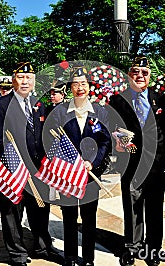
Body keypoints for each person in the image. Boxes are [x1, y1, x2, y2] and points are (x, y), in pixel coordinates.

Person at [0, 61, 63, 266]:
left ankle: (42, 246)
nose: (25, 81)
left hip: (39, 169)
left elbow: (45, 135)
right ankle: (17, 253)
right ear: (13, 81)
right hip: (14, 169)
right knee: (12, 212)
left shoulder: (39, 104)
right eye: (21, 77)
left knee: (40, 208)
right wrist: (17, 164)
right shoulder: (0, 105)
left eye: (29, 78)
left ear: (34, 81)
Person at [46, 65, 111, 266]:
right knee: (69, 216)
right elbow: (51, 140)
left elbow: (105, 141)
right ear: (71, 88)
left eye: (83, 84)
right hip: (68, 174)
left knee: (89, 218)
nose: (80, 88)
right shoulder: (60, 112)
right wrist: (67, 163)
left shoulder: (100, 111)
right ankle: (71, 257)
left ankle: (89, 258)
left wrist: (93, 163)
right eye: (75, 84)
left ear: (89, 87)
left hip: (91, 173)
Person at [109, 56, 165, 266]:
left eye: (144, 73)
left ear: (149, 76)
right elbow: (113, 128)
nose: (140, 76)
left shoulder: (161, 99)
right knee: (132, 207)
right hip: (131, 165)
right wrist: (118, 143)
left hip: (156, 164)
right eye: (136, 72)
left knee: (154, 209)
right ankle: (132, 248)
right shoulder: (118, 100)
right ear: (129, 75)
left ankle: (153, 249)